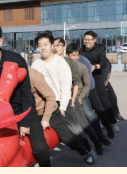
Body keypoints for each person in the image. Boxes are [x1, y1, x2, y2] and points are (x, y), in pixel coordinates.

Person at [31, 32, 97, 165]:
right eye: (40, 45)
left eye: (45, 44)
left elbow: (66, 86)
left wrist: (62, 107)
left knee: (75, 131)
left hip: (61, 101)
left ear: (52, 45)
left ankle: (86, 151)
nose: (42, 48)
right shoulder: (35, 64)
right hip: (44, 104)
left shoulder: (60, 62)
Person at [54, 38, 107, 155]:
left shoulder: (73, 63)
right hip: (59, 99)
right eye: (54, 45)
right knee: (73, 128)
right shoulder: (52, 63)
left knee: (84, 123)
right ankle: (86, 150)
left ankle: (97, 143)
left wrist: (75, 99)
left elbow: (78, 83)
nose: (55, 47)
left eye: (58, 45)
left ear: (64, 47)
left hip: (73, 98)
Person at [81, 31, 119, 133]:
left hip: (97, 79)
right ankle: (93, 125)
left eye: (89, 40)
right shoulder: (81, 50)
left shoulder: (99, 50)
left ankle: (113, 122)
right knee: (88, 104)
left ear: (94, 40)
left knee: (105, 102)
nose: (87, 42)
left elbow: (103, 63)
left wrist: (95, 66)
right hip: (84, 80)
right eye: (85, 39)